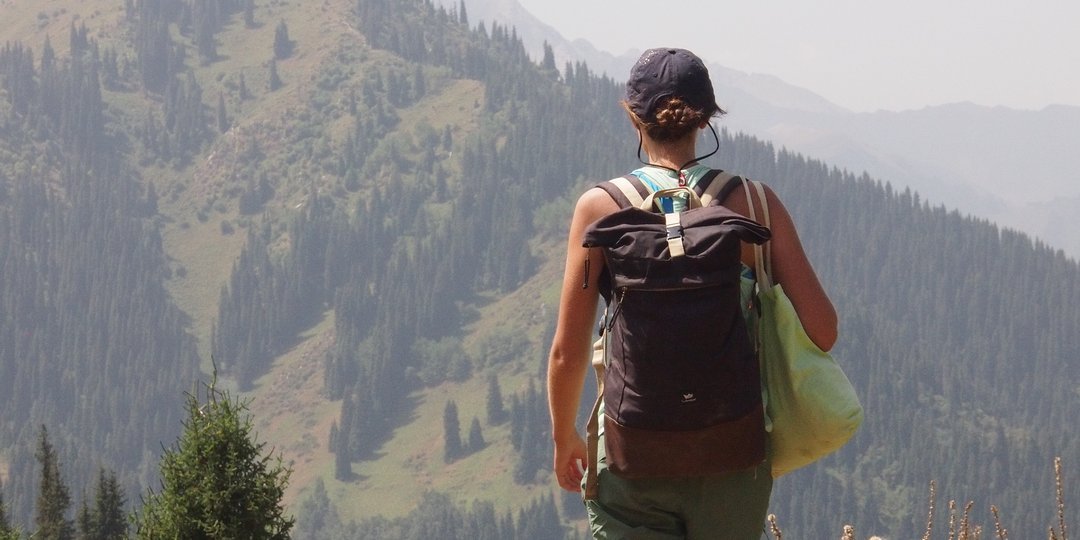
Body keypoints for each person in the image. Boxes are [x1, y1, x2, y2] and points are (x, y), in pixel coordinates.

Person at [546, 48, 838, 539]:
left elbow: (565, 352)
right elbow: (823, 332)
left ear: (632, 116)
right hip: (732, 452)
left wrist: (563, 437)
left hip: (630, 453)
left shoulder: (600, 209)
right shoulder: (756, 206)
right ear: (707, 118)